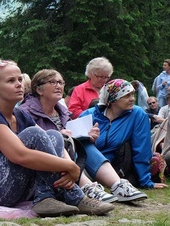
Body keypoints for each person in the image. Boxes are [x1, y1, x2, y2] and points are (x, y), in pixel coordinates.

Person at [0, 58, 113, 217]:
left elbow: (48, 140)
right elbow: (20, 155)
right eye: (11, 81)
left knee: (54, 135)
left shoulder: (20, 114)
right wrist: (70, 167)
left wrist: (70, 165)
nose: (18, 84)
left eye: (20, 79)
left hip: (15, 186)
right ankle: (74, 196)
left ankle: (45, 197)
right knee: (33, 134)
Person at [19, 70, 139, 203]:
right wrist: (60, 136)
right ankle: (88, 187)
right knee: (63, 141)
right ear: (39, 90)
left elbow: (73, 138)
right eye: (52, 82)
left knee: (84, 143)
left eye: (60, 82)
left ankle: (117, 185)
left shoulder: (64, 113)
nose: (58, 86)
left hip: (70, 162)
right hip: (41, 167)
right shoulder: (25, 112)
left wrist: (89, 136)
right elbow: (28, 141)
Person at [80, 79, 164, 199]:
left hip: (116, 165)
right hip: (88, 165)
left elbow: (141, 148)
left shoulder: (137, 114)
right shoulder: (89, 115)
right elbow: (75, 144)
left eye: (132, 94)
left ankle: (115, 184)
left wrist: (146, 181)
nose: (132, 99)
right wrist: (88, 138)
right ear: (113, 99)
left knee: (125, 146)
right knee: (85, 145)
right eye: (126, 95)